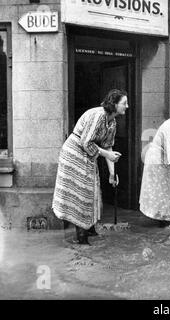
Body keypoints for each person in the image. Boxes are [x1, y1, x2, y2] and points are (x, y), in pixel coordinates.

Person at [52, 89, 128, 245]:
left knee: (92, 189)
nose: (127, 106)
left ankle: (90, 229)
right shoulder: (99, 115)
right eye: (124, 103)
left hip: (87, 154)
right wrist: (107, 155)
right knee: (82, 193)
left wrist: (112, 174)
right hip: (74, 153)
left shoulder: (112, 122)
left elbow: (108, 147)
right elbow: (85, 142)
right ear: (114, 104)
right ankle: (82, 238)